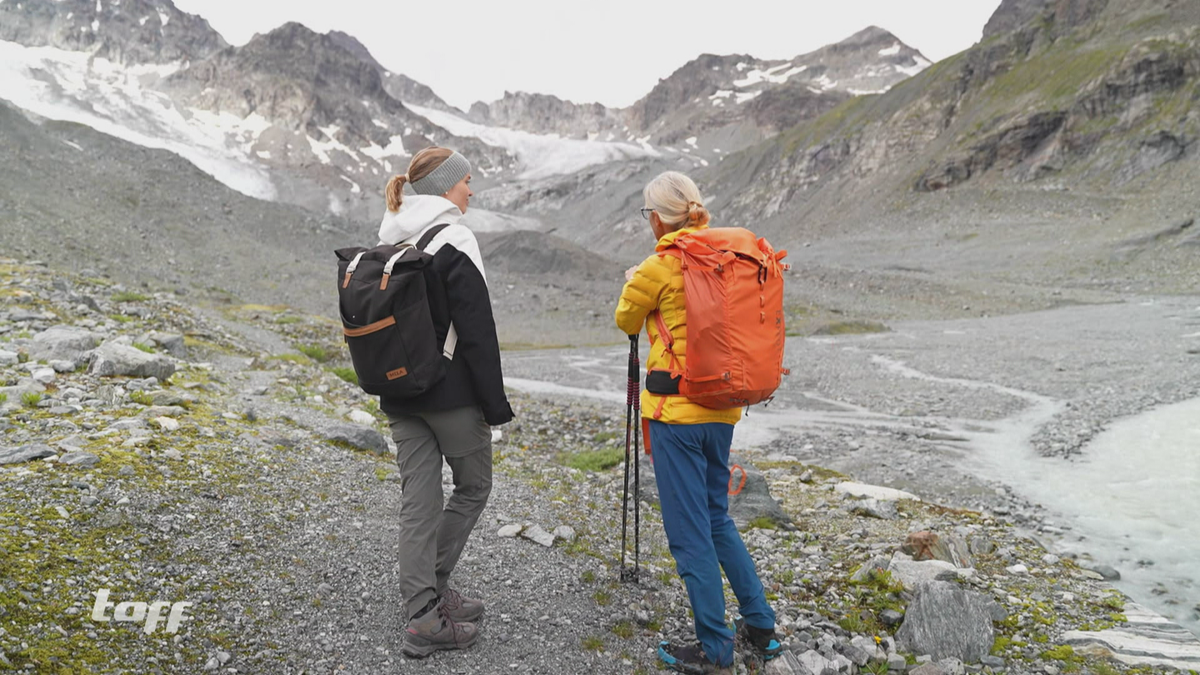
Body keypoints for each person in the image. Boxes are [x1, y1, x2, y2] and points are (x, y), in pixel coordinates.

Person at [614, 171, 782, 675]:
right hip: (722, 411)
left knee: (689, 534)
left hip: (676, 418)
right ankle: (761, 625)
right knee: (716, 519)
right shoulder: (723, 255)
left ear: (659, 217)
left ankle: (714, 648)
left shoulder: (662, 263)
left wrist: (633, 282)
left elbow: (625, 318)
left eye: (649, 214)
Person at [377, 146, 514, 658]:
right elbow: (476, 328)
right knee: (474, 485)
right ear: (445, 186)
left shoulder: (393, 233)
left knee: (419, 500)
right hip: (449, 392)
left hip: (398, 391)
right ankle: (427, 604)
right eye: (466, 181)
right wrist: (494, 404)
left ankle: (421, 608)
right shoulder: (454, 236)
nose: (471, 190)